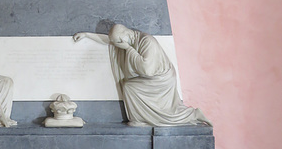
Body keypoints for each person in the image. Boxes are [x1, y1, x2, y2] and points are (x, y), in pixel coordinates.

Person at [73, 24, 211, 127]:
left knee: (130, 87)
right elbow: (109, 41)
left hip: (161, 80)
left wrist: (128, 49)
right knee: (128, 86)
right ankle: (141, 119)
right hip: (152, 78)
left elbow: (147, 70)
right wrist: (86, 35)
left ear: (124, 37)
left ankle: (193, 114)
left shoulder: (146, 41)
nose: (117, 46)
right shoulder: (131, 39)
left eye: (119, 43)